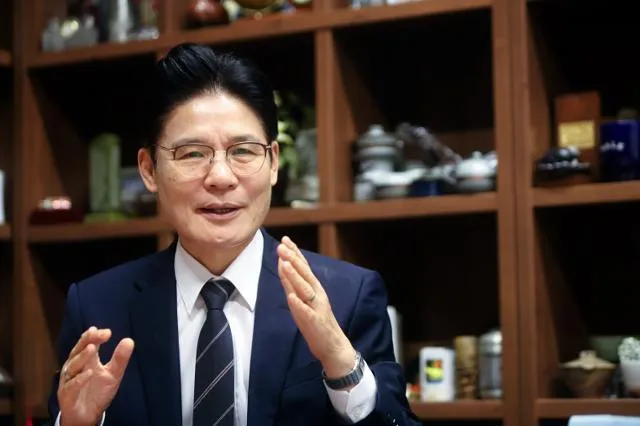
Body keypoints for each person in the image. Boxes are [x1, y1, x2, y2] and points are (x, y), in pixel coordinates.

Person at [47, 42, 420, 426]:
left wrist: (340, 361)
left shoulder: (348, 298)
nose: (221, 177)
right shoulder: (97, 308)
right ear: (149, 170)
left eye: (242, 151)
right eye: (193, 153)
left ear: (273, 163)